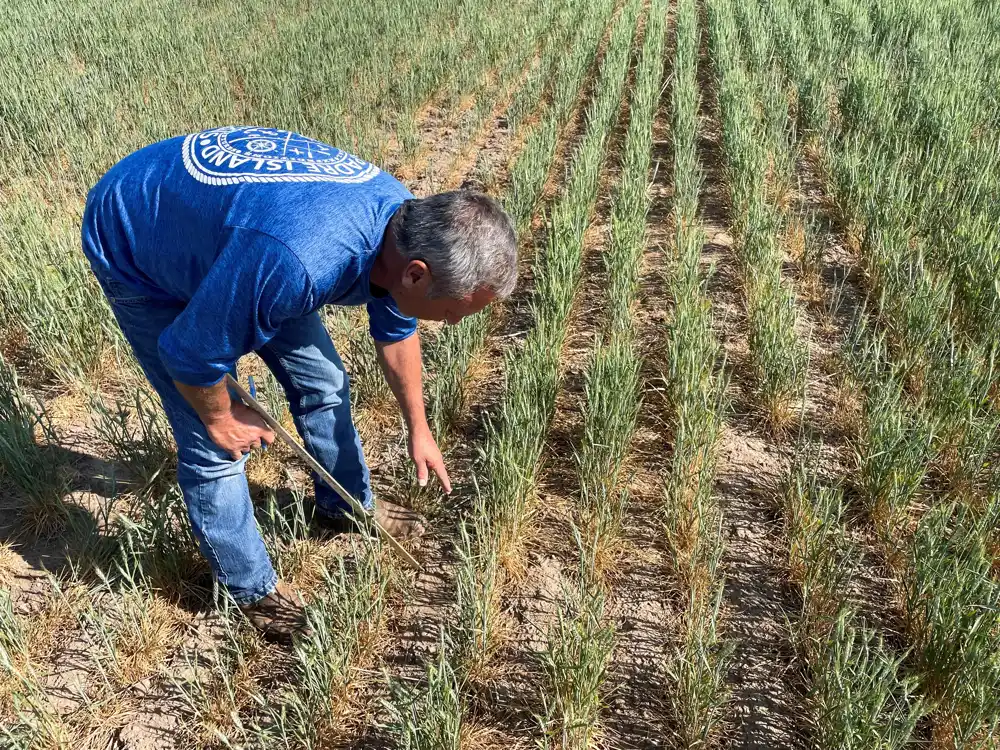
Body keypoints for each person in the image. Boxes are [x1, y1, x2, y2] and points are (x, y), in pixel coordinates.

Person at [81, 126, 517, 642]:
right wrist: (221, 415)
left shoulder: (405, 232)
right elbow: (188, 353)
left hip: (245, 239)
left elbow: (397, 333)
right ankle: (250, 591)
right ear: (416, 276)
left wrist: (418, 428)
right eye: (452, 312)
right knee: (212, 445)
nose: (453, 323)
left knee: (324, 380)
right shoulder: (300, 261)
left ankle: (348, 506)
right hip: (138, 236)